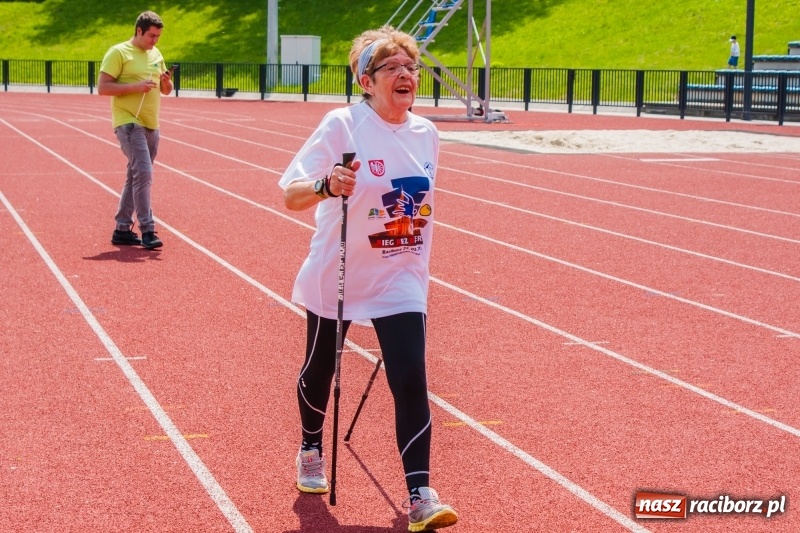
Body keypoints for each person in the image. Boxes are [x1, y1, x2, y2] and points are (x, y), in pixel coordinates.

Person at [279, 25, 458, 533]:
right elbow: (289, 193)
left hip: (401, 277)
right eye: (393, 68)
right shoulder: (342, 125)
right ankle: (311, 445)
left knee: (411, 378)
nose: (406, 75)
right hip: (337, 272)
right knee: (319, 371)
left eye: (412, 68)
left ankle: (420, 493)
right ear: (365, 80)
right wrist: (325, 184)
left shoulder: (428, 133)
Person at [98, 10, 174, 250]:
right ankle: (148, 229)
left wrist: (165, 81)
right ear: (139, 30)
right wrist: (136, 87)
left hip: (152, 123)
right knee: (144, 172)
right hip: (128, 122)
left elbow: (167, 90)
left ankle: (122, 228)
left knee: (136, 175)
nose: (154, 41)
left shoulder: (156, 53)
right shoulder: (119, 52)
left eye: (158, 37)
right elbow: (103, 87)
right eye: (151, 36)